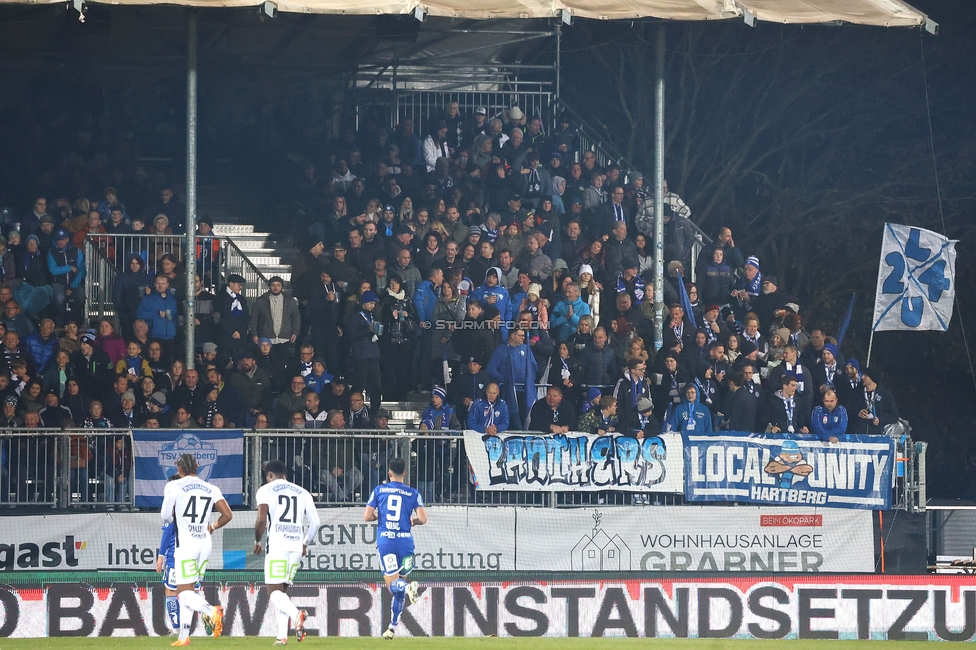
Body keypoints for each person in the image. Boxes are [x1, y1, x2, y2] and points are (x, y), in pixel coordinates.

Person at [161, 453, 233, 646]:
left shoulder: (174, 485)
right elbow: (228, 514)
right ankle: (183, 637)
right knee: (190, 589)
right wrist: (212, 527)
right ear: (198, 466)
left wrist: (174, 520)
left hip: (186, 544)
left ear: (178, 467)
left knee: (183, 593)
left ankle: (211, 611)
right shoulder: (211, 488)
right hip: (204, 543)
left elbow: (165, 515)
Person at [253, 460, 320, 645]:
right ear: (286, 476)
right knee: (282, 592)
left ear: (269, 475)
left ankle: (297, 614)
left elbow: (261, 520)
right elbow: (316, 523)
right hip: (296, 547)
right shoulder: (303, 492)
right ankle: (281, 636)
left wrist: (257, 540)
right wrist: (305, 543)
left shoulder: (265, 490)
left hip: (277, 545)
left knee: (273, 592)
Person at [362, 457, 424, 640]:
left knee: (393, 586)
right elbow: (423, 518)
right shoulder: (413, 493)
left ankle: (407, 588)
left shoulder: (379, 491)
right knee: (399, 587)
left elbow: (366, 516)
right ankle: (392, 627)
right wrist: (413, 520)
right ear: (405, 473)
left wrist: (378, 517)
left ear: (389, 473)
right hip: (406, 542)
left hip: (387, 541)